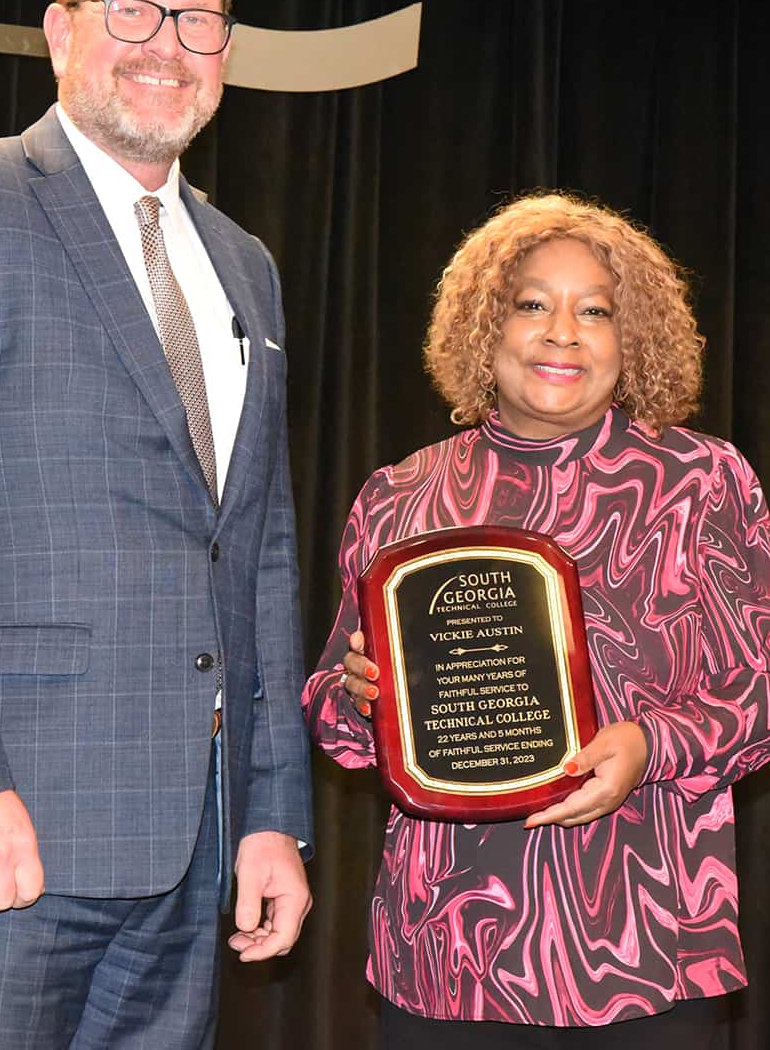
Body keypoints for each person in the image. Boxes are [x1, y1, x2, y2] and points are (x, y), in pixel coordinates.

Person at [0, 0, 312, 1049]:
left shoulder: (244, 264)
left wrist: (269, 816)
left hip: (190, 845)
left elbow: (256, 551)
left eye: (197, 22)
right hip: (5, 825)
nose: (168, 48)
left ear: (227, 49)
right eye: (133, 13)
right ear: (62, 30)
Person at [303, 192, 770, 1049]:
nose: (563, 332)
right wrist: (354, 694)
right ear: (485, 327)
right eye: (531, 304)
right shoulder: (399, 496)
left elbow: (759, 688)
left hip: (652, 938)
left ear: (633, 339)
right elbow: (336, 721)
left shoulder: (700, 481)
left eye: (595, 311)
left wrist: (650, 746)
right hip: (449, 945)